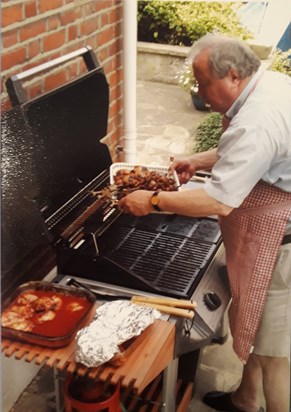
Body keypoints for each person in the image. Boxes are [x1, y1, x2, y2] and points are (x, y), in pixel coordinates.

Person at [118, 34, 291, 412]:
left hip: (281, 247)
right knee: (261, 339)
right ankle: (245, 400)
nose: (198, 92)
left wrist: (153, 200)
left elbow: (217, 201)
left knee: (275, 355)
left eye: (201, 83)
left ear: (231, 76)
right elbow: (247, 152)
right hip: (269, 237)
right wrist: (196, 161)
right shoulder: (267, 86)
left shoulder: (259, 120)